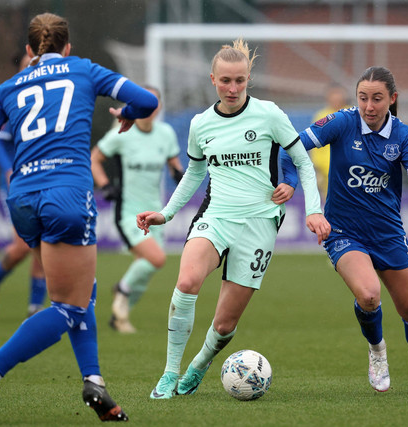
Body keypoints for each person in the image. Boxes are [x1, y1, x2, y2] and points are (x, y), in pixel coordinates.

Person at [0, 12, 158, 423]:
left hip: (22, 199)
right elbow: (147, 101)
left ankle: (95, 383)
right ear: (67, 47)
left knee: (79, 290)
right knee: (69, 306)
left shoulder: (8, 86)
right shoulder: (83, 69)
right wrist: (126, 113)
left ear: (31, 51)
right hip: (66, 194)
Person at [137, 38, 331, 400]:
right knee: (187, 281)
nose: (232, 88)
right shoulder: (201, 124)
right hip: (217, 215)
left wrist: (313, 209)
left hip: (260, 222)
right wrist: (166, 213)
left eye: (240, 80)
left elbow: (303, 161)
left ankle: (200, 363)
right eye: (225, 80)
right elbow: (194, 174)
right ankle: (168, 373)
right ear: (213, 79)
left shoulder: (269, 114)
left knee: (225, 324)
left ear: (248, 80)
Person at [280, 66, 408, 394]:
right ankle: (377, 352)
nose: (369, 106)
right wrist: (289, 183)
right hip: (343, 231)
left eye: (376, 99)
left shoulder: (402, 135)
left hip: (387, 233)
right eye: (363, 98)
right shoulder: (342, 122)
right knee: (370, 295)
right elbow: (293, 148)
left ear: (392, 99)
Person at [91, 85, 184, 333]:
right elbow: (94, 159)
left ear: (158, 107)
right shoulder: (122, 134)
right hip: (129, 213)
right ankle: (121, 289)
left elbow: (175, 165)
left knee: (149, 265)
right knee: (156, 258)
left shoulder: (165, 133)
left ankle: (120, 317)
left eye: (153, 102)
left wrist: (181, 175)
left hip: (156, 213)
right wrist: (105, 185)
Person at [0, 54, 47, 318]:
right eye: (28, 64)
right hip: (17, 181)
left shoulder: (52, 97)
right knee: (23, 246)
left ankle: (34, 310)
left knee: (44, 245)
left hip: (44, 179)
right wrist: (9, 169)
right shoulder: (14, 97)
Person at [310, 84, 349, 200]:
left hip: (350, 171)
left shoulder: (352, 113)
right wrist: (318, 167)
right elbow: (315, 145)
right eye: (333, 95)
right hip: (327, 172)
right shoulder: (321, 116)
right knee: (331, 204)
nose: (336, 98)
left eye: (338, 94)